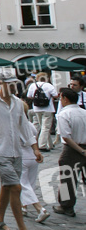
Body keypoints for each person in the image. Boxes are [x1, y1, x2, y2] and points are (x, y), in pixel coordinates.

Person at [0, 67, 42, 230]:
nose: (13, 87)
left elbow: (25, 128)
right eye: (9, 84)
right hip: (0, 151)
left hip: (16, 152)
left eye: (14, 83)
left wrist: (35, 148)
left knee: (7, 187)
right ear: (1, 84)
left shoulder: (18, 103)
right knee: (16, 187)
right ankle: (22, 227)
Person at [52, 87, 86, 217]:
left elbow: (66, 137)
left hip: (72, 149)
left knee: (68, 179)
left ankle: (66, 206)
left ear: (65, 99)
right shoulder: (84, 112)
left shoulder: (64, 114)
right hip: (81, 146)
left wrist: (81, 151)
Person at [18, 107, 51, 223]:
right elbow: (34, 140)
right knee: (29, 185)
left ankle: (40, 209)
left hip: (22, 157)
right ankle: (24, 206)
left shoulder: (17, 125)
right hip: (32, 157)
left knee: (23, 184)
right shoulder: (31, 125)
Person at [27, 72, 57, 152]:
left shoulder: (33, 85)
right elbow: (55, 95)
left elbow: (29, 96)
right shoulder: (49, 85)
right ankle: (42, 145)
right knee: (46, 127)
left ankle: (50, 144)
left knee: (43, 126)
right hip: (48, 108)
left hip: (37, 108)